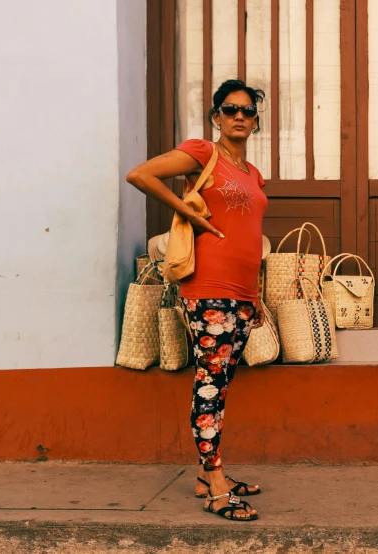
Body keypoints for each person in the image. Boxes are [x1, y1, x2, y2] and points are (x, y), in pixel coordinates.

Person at [127, 79, 267, 520]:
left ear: (256, 121)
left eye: (246, 110)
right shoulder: (204, 154)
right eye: (229, 109)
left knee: (220, 386)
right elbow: (141, 174)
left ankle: (207, 474)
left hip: (242, 294)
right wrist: (184, 208)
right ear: (216, 118)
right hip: (208, 290)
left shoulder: (253, 174)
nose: (238, 116)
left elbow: (248, 238)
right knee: (209, 385)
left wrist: (256, 294)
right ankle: (217, 486)